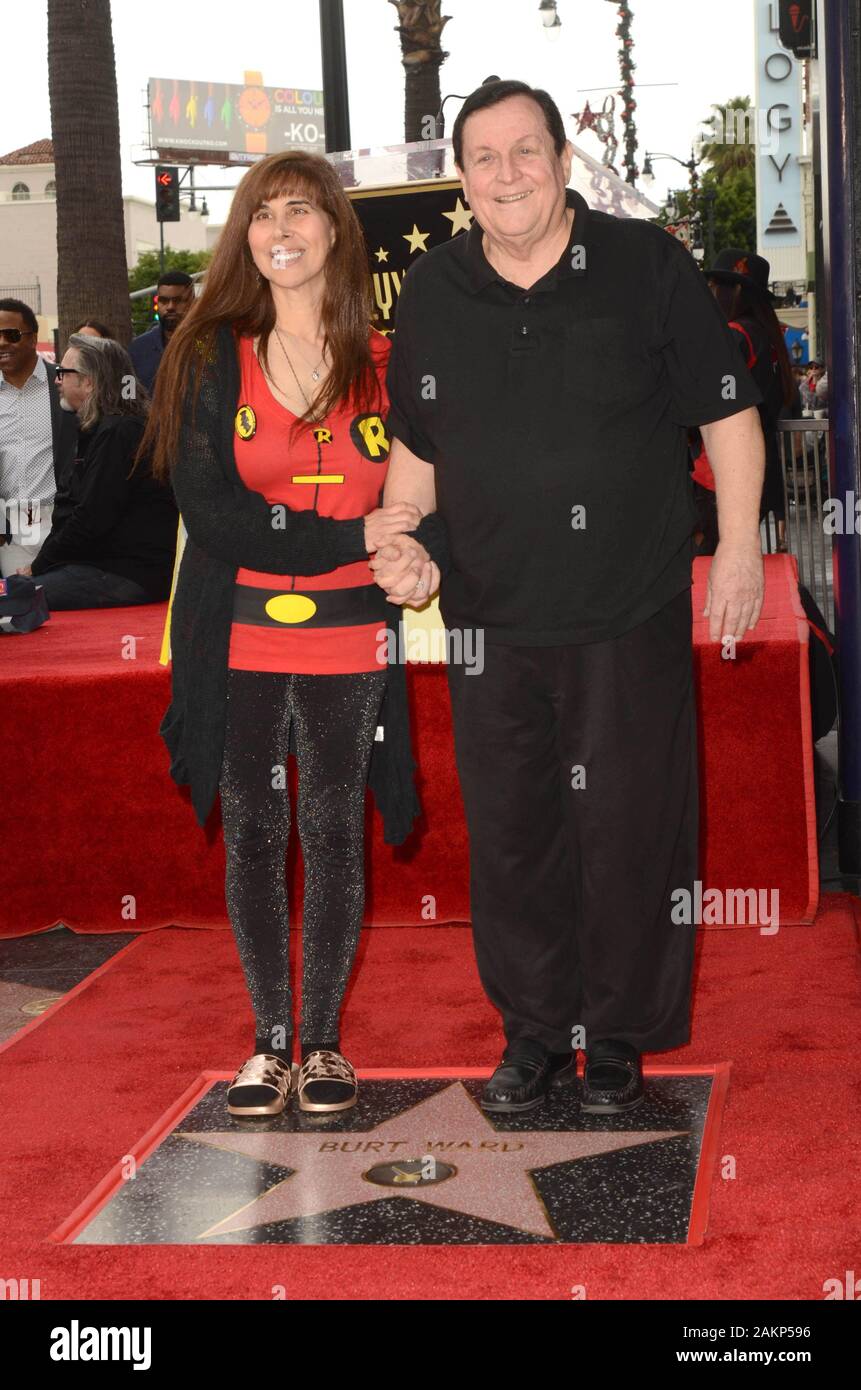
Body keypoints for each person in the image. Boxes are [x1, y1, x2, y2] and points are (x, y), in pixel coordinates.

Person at [373, 79, 765, 1116]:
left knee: (630, 827)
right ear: (462, 178)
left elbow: (727, 414)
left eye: (526, 149)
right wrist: (404, 543)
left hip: (625, 610)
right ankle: (538, 1033)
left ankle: (622, 1034)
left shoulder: (645, 266)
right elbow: (416, 450)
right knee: (513, 836)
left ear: (561, 158)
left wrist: (735, 550)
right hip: (487, 624)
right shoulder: (432, 292)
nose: (508, 174)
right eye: (485, 157)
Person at [138, 150, 447, 1120]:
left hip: (355, 632)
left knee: (332, 828)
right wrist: (351, 534)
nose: (283, 227)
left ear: (335, 235)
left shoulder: (389, 364)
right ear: (245, 235)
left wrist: (414, 551)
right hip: (236, 635)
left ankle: (324, 1045)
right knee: (258, 831)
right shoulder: (203, 355)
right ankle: (269, 1040)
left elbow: (425, 500)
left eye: (303, 210)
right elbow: (216, 514)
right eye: (264, 211)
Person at [21, 335, 178, 609]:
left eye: (63, 372)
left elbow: (91, 518)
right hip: (116, 569)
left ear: (89, 381)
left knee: (13, 597)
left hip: (124, 573)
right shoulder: (114, 427)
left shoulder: (118, 431)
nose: (57, 380)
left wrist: (38, 567)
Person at [691, 249, 796, 554]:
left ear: (735, 290)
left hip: (720, 474)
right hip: (759, 470)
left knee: (704, 569)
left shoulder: (736, 335)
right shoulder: (769, 338)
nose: (710, 292)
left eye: (715, 286)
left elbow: (702, 392)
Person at [0, 298, 77, 577]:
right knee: (19, 610)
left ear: (33, 339)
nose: (2, 343)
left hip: (61, 524)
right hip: (10, 534)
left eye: (11, 335)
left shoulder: (64, 385)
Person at [128, 271, 195, 392]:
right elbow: (127, 397)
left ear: (193, 302)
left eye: (178, 300)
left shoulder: (208, 346)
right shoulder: (137, 349)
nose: (170, 307)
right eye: (164, 301)